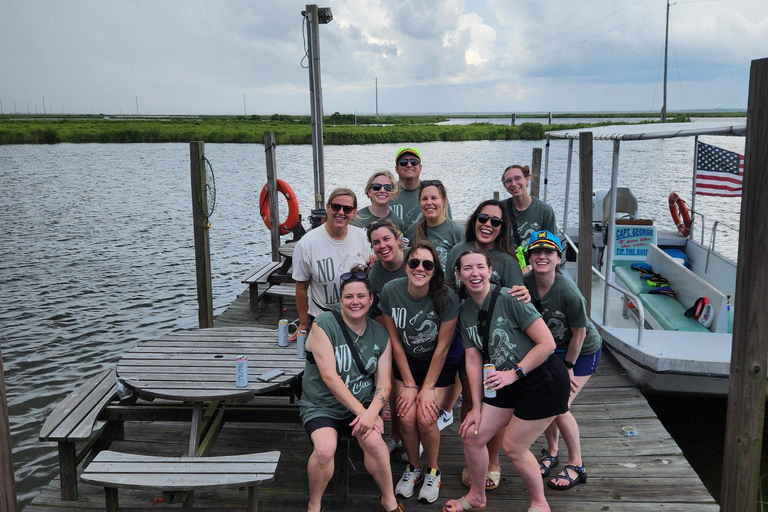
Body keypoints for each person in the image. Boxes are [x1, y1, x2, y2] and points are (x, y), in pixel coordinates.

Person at [444, 249, 569, 512]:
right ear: (458, 275)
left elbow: (546, 343)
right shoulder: (466, 310)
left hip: (541, 380)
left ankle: (540, 503)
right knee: (471, 435)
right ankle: (477, 495)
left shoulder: (511, 298)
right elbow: (474, 360)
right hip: (506, 383)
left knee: (514, 446)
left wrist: (515, 373)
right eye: (467, 268)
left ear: (490, 271)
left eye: (480, 267)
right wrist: (476, 407)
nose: (474, 273)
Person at [300, 268, 404, 512]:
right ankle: (314, 505)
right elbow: (329, 376)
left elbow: (384, 383)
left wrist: (373, 411)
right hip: (322, 405)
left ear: (370, 300)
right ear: (340, 300)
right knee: (325, 450)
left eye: (360, 297)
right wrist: (363, 413)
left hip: (363, 403)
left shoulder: (380, 334)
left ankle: (388, 499)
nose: (355, 302)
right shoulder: (324, 324)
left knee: (376, 444)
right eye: (349, 297)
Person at [444, 199, 525, 492]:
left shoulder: (509, 260)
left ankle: (493, 461)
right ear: (474, 220)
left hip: (500, 344)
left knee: (498, 402)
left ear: (503, 227)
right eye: (483, 218)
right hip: (468, 338)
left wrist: (525, 295)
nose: (487, 225)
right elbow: (447, 289)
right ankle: (474, 455)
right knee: (470, 397)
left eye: (495, 221)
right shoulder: (458, 250)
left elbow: (520, 297)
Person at [379, 241, 460, 504]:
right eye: (414, 262)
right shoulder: (391, 291)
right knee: (404, 415)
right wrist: (411, 383)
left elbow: (443, 347)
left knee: (426, 417)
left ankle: (433, 470)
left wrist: (426, 387)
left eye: (427, 264)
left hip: (438, 364)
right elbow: (395, 341)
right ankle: (413, 467)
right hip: (408, 362)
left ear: (435, 271)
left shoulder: (447, 297)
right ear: (406, 267)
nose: (420, 268)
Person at [523, 230, 602, 491]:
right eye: (536, 251)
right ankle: (553, 452)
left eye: (549, 252)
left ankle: (577, 464)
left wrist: (568, 368)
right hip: (552, 349)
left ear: (559, 258)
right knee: (550, 397)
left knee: (559, 404)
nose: (542, 256)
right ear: (529, 257)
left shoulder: (569, 293)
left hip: (581, 350)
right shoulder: (525, 283)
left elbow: (580, 334)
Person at [290, 188, 372, 340]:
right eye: (336, 207)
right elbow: (301, 288)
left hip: (357, 316)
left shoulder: (362, 237)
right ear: (327, 208)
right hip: (323, 316)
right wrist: (303, 323)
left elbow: (367, 275)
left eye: (347, 209)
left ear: (353, 213)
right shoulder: (306, 244)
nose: (341, 212)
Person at [366, 218, 407, 453]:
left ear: (398, 240)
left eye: (386, 239)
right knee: (390, 380)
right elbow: (374, 311)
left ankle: (419, 436)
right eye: (376, 243)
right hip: (394, 333)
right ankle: (395, 435)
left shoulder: (415, 260)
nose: (382, 246)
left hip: (422, 331)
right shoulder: (376, 274)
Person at [500, 164, 558, 271]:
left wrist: (531, 268)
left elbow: (552, 247)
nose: (513, 184)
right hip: (507, 267)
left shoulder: (544, 210)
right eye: (508, 181)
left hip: (536, 267)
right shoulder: (500, 209)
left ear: (527, 179)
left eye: (517, 178)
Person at [405, 180, 463, 273]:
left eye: (434, 198)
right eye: (424, 199)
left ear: (444, 201)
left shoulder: (457, 232)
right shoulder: (412, 231)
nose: (429, 202)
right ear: (420, 202)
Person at [389, 147, 452, 232]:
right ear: (396, 168)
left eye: (414, 162)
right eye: (404, 162)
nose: (409, 165)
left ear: (420, 167)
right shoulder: (387, 192)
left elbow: (448, 225)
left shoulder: (433, 193)